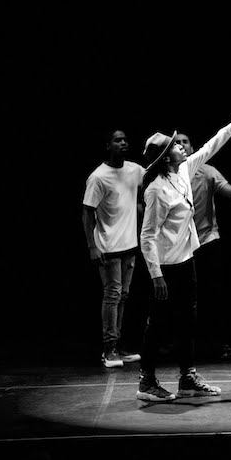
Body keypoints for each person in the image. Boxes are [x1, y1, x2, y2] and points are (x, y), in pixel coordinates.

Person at [135, 101, 231, 402]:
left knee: (188, 320)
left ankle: (187, 377)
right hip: (165, 266)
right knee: (159, 324)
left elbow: (211, 146)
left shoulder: (184, 171)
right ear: (165, 158)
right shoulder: (156, 190)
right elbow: (147, 236)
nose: (182, 147)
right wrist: (156, 276)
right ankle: (146, 382)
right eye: (175, 146)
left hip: (186, 261)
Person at [173, 132, 231, 360]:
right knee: (182, 297)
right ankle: (180, 344)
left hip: (207, 241)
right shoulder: (169, 176)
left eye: (185, 141)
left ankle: (221, 343)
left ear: (192, 147)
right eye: (176, 142)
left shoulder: (207, 171)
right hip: (180, 245)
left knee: (214, 294)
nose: (180, 145)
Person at [82, 129, 146, 368]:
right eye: (117, 140)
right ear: (108, 144)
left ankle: (118, 344)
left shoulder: (133, 170)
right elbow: (87, 212)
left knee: (124, 296)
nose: (123, 143)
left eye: (125, 139)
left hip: (129, 245)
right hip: (108, 247)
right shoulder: (98, 177)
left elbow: (152, 174)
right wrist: (92, 246)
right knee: (112, 296)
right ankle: (108, 348)